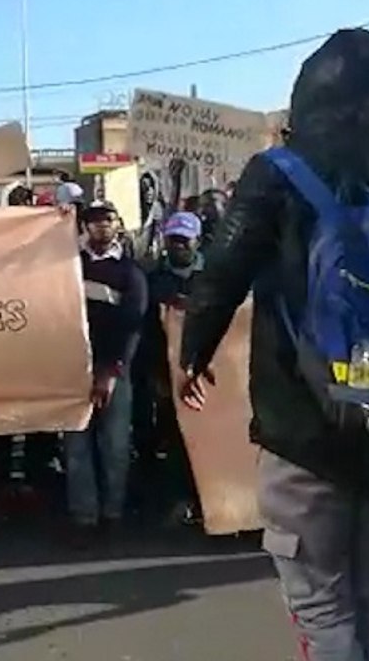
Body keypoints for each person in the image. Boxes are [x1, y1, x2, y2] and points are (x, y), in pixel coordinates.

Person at [178, 28, 369, 661]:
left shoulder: (275, 175)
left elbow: (220, 273)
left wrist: (194, 353)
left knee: (321, 606)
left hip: (303, 429)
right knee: (367, 598)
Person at [65, 199, 147, 547]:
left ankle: (113, 515)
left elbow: (133, 325)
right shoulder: (67, 267)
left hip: (114, 370)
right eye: (94, 221)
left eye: (107, 220)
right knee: (76, 447)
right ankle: (84, 518)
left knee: (114, 445)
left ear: (118, 225)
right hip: (71, 370)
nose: (101, 227)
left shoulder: (131, 273)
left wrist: (111, 371)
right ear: (84, 226)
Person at [137, 211, 204, 525]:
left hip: (211, 376)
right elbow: (146, 331)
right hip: (167, 374)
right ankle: (181, 501)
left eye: (184, 240)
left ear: (197, 240)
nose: (178, 246)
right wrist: (155, 375)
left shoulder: (215, 278)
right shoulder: (153, 280)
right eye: (173, 240)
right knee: (175, 440)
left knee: (210, 440)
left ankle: (210, 501)